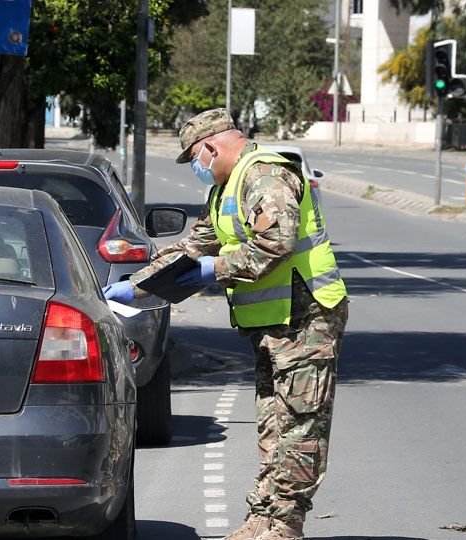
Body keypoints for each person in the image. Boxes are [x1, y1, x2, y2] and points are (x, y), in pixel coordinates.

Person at [104, 108, 348, 540]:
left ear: (212, 147)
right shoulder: (225, 190)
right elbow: (191, 248)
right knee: (274, 424)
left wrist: (210, 271)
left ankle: (285, 525)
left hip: (306, 319)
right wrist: (134, 286)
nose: (197, 168)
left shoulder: (265, 176)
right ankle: (262, 517)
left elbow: (275, 244)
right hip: (272, 325)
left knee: (300, 426)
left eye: (196, 158)